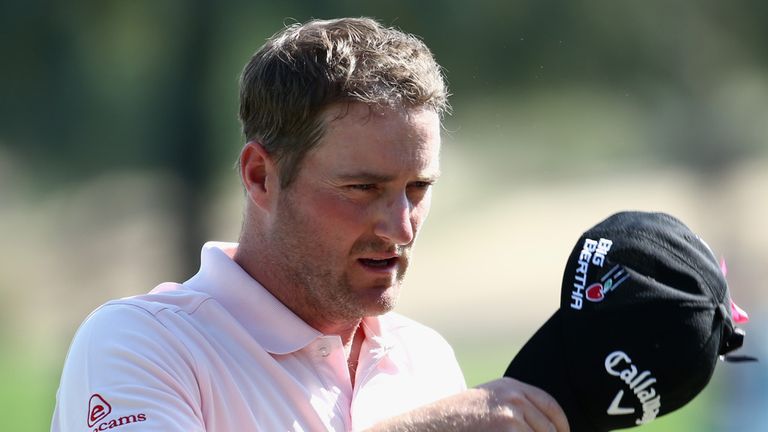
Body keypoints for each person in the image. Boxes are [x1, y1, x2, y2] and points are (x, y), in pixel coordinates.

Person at [52, 17, 569, 432]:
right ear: (260, 177)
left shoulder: (425, 357)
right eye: (362, 189)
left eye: (418, 189)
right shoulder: (141, 344)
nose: (401, 228)